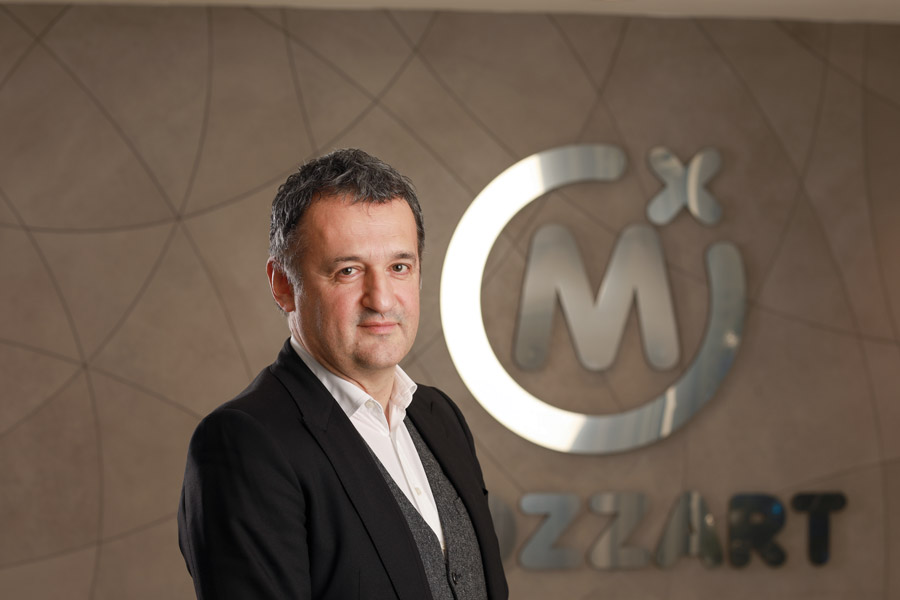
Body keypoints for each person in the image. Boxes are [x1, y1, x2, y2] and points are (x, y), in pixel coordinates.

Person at [177, 148, 508, 599]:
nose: (381, 299)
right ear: (283, 285)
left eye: (399, 267)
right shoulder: (244, 444)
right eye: (348, 271)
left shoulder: (439, 417)